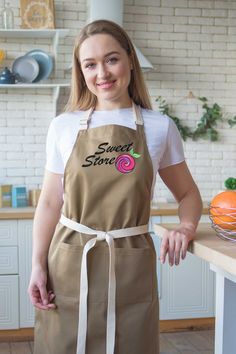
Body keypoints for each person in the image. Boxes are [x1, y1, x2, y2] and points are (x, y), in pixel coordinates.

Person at [28, 19, 202, 354]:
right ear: (81, 72)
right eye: (90, 64)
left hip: (130, 263)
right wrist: (37, 265)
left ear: (130, 60)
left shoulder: (159, 127)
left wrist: (186, 226)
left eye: (111, 59)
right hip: (67, 260)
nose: (102, 73)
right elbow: (50, 202)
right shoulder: (63, 127)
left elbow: (188, 194)